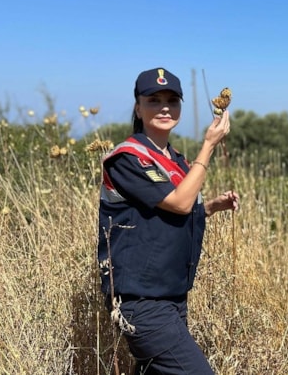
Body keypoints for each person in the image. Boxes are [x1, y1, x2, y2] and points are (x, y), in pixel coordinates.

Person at [97, 67, 239, 374]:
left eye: (172, 100)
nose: (164, 107)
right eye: (154, 99)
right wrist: (209, 146)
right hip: (142, 300)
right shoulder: (127, 158)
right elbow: (179, 201)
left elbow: (170, 212)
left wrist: (212, 206)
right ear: (138, 107)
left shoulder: (175, 160)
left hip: (171, 295)